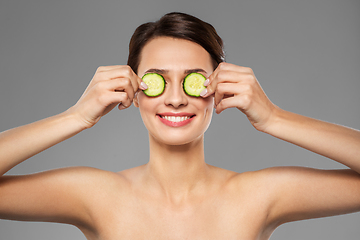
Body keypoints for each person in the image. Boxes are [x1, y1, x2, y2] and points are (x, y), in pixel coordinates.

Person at [0, 12, 359, 240]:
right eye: (157, 80)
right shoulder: (96, 195)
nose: (174, 99)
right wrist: (76, 117)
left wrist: (272, 117)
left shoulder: (256, 196)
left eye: (193, 81)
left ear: (218, 88)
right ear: (135, 92)